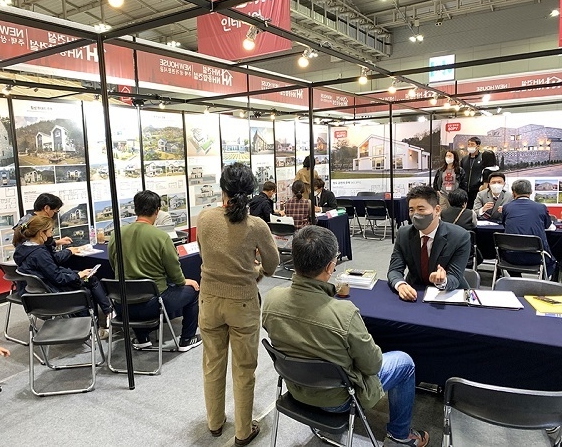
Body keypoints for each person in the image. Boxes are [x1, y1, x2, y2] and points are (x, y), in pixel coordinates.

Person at [262, 226, 429, 447]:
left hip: (296, 390)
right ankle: (400, 434)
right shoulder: (344, 313)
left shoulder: (271, 299)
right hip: (338, 400)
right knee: (404, 362)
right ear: (330, 266)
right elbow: (373, 365)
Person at [197, 163, 280, 446]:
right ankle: (244, 431)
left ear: (223, 189)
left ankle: (214, 422)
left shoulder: (204, 218)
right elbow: (272, 264)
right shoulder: (256, 225)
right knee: (244, 369)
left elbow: (206, 255)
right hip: (243, 303)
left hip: (209, 300)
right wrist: (255, 270)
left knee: (212, 363)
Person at [108, 190, 201, 351]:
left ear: (135, 209)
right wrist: (184, 281)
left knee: (134, 291)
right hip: (153, 303)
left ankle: (142, 338)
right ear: (157, 210)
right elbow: (174, 271)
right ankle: (187, 339)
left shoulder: (116, 234)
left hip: (122, 305)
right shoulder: (161, 237)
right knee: (193, 290)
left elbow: (113, 264)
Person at [13, 216, 113, 338]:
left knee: (89, 278)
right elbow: (58, 278)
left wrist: (76, 273)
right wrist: (78, 275)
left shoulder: (22, 249)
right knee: (90, 281)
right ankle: (99, 322)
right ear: (41, 233)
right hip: (57, 294)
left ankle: (105, 315)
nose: (51, 235)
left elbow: (51, 270)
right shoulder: (40, 254)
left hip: (40, 293)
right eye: (50, 231)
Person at [387, 185, 470, 301]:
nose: (415, 214)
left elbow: (455, 276)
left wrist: (442, 280)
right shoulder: (404, 234)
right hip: (415, 292)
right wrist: (400, 284)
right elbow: (394, 270)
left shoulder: (460, 236)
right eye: (411, 210)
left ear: (437, 210)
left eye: (421, 209)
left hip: (449, 294)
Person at [501, 179, 557, 277]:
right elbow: (548, 226)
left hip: (511, 257)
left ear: (513, 193)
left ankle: (516, 279)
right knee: (553, 260)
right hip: (537, 257)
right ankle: (545, 282)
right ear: (531, 191)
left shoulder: (506, 207)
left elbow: (505, 224)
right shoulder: (541, 207)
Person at [441, 189, 480, 269]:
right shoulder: (470, 213)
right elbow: (474, 225)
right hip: (466, 250)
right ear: (464, 202)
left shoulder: (443, 213)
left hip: (446, 250)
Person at [460, 136, 483, 206]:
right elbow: (460, 173)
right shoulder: (464, 159)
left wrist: (481, 185)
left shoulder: (482, 158)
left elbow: (485, 173)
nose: (470, 146)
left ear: (478, 146)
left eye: (472, 144)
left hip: (477, 190)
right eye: (469, 144)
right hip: (464, 190)